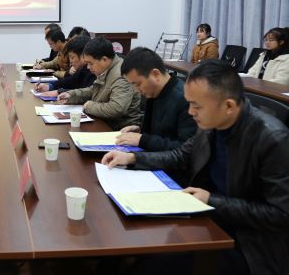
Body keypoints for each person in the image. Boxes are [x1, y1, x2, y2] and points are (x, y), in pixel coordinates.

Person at [102, 59, 289, 275]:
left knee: (152, 260)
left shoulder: (272, 139)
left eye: (196, 106)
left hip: (247, 243)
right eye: (189, 103)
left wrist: (211, 200)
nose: (190, 112)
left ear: (228, 106)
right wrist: (132, 159)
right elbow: (181, 155)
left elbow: (281, 214)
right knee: (129, 242)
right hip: (206, 216)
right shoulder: (212, 123)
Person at [117, 47, 196, 151]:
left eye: (138, 84)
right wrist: (141, 131)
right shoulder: (153, 92)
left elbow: (187, 149)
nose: (136, 90)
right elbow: (164, 132)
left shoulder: (186, 99)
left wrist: (143, 140)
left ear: (155, 74)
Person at [57, 37, 142, 130]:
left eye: (90, 63)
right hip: (106, 122)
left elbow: (117, 108)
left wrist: (89, 106)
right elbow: (93, 90)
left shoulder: (120, 75)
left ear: (104, 59)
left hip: (120, 129)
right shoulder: (106, 69)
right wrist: (71, 95)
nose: (88, 67)